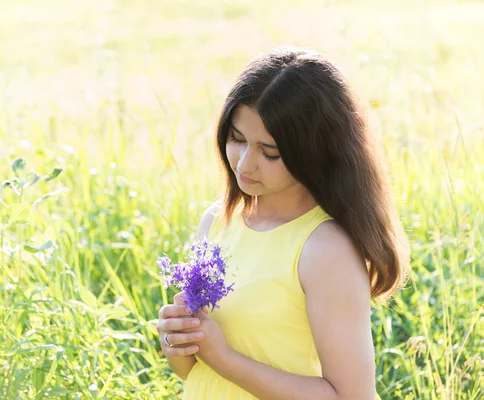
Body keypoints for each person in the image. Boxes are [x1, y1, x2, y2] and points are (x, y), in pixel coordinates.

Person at [156, 46, 410, 400]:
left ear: (314, 151)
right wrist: (177, 341)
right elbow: (193, 373)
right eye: (237, 139)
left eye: (269, 152)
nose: (245, 164)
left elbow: (351, 396)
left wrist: (225, 358)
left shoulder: (324, 248)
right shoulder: (217, 221)